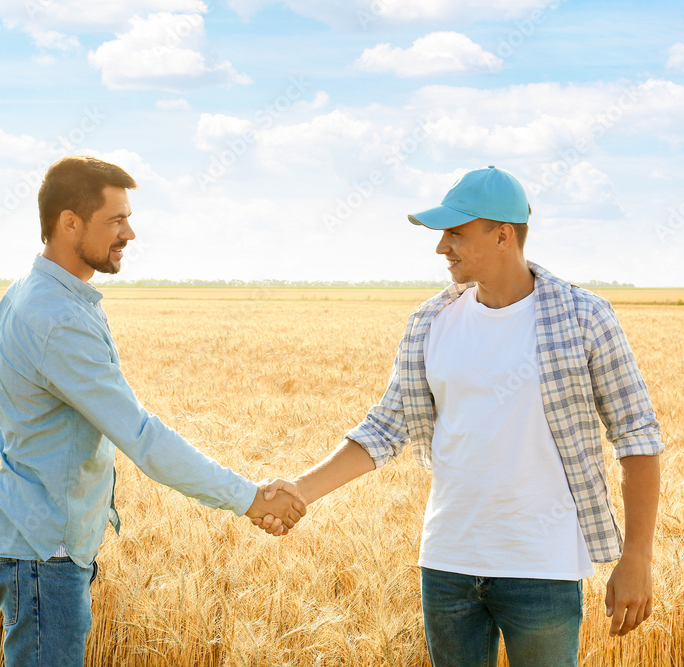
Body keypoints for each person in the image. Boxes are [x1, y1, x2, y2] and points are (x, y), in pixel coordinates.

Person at [255, 166, 663, 666]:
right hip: (447, 566)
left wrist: (638, 555)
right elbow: (387, 427)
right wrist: (300, 491)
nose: (441, 247)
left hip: (543, 568)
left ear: (503, 235)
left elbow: (636, 433)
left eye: (455, 233)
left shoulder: (584, 317)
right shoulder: (431, 321)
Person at [0, 155, 305, 667]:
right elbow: (142, 438)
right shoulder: (58, 317)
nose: (130, 232)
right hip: (45, 553)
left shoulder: (32, 293)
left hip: (36, 542)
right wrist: (250, 498)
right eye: (116, 219)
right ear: (70, 223)